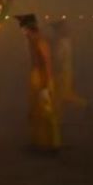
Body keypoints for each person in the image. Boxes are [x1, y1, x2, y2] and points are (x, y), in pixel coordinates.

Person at [14, 13, 61, 153]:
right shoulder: (32, 41)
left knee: (47, 112)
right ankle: (39, 142)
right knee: (35, 113)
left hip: (42, 78)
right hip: (36, 78)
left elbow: (47, 64)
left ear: (28, 28)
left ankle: (53, 144)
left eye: (23, 29)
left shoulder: (40, 42)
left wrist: (46, 87)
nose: (22, 32)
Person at [50, 19, 87, 110]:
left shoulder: (62, 43)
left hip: (62, 72)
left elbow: (59, 59)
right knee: (64, 95)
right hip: (66, 71)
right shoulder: (66, 41)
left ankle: (85, 105)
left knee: (62, 95)